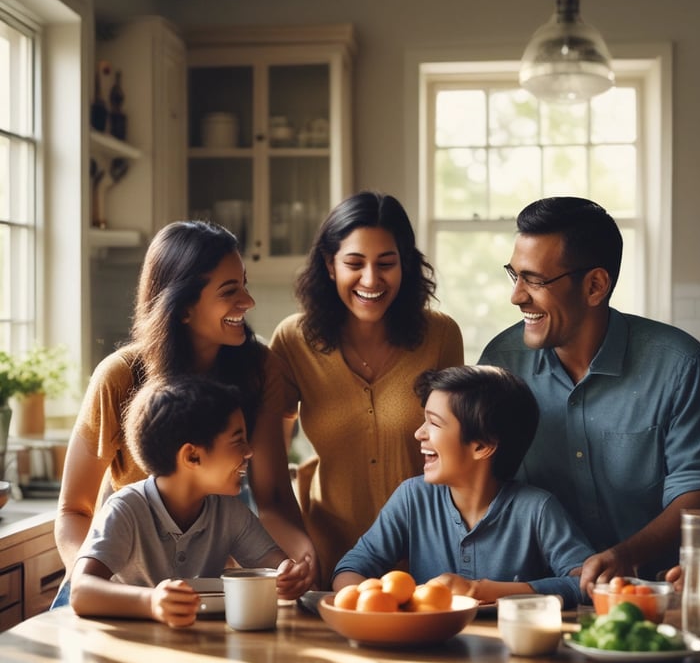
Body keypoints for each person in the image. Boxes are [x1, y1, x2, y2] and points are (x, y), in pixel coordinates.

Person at [478, 196, 700, 592]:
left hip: (650, 593)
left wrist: (626, 554)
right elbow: (481, 479)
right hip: (537, 596)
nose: (517, 296)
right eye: (515, 275)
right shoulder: (500, 362)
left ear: (595, 285)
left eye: (536, 280)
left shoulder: (679, 364)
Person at [55, 220, 318, 604]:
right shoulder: (120, 376)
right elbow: (73, 509)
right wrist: (107, 591)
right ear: (182, 309)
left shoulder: (260, 369)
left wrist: (302, 559)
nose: (248, 301)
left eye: (244, 284)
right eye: (230, 291)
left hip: (196, 597)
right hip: (108, 589)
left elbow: (274, 496)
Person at [270, 191, 464, 588]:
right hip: (326, 556)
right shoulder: (293, 341)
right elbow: (271, 476)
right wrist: (296, 551)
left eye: (387, 263)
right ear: (329, 265)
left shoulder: (441, 335)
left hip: (427, 559)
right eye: (354, 263)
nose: (371, 280)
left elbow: (459, 458)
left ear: (405, 265)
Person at [332, 365, 594, 609]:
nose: (419, 433)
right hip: (426, 646)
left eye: (434, 423)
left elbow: (585, 583)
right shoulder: (413, 497)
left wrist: (482, 590)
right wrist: (379, 603)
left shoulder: (536, 509)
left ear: (482, 446)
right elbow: (351, 568)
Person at [69, 377, 311, 627]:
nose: (249, 451)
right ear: (192, 456)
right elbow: (80, 592)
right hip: (128, 650)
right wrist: (151, 603)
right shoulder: (125, 510)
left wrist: (287, 575)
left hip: (197, 645)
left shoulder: (229, 512)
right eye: (238, 440)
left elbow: (275, 564)